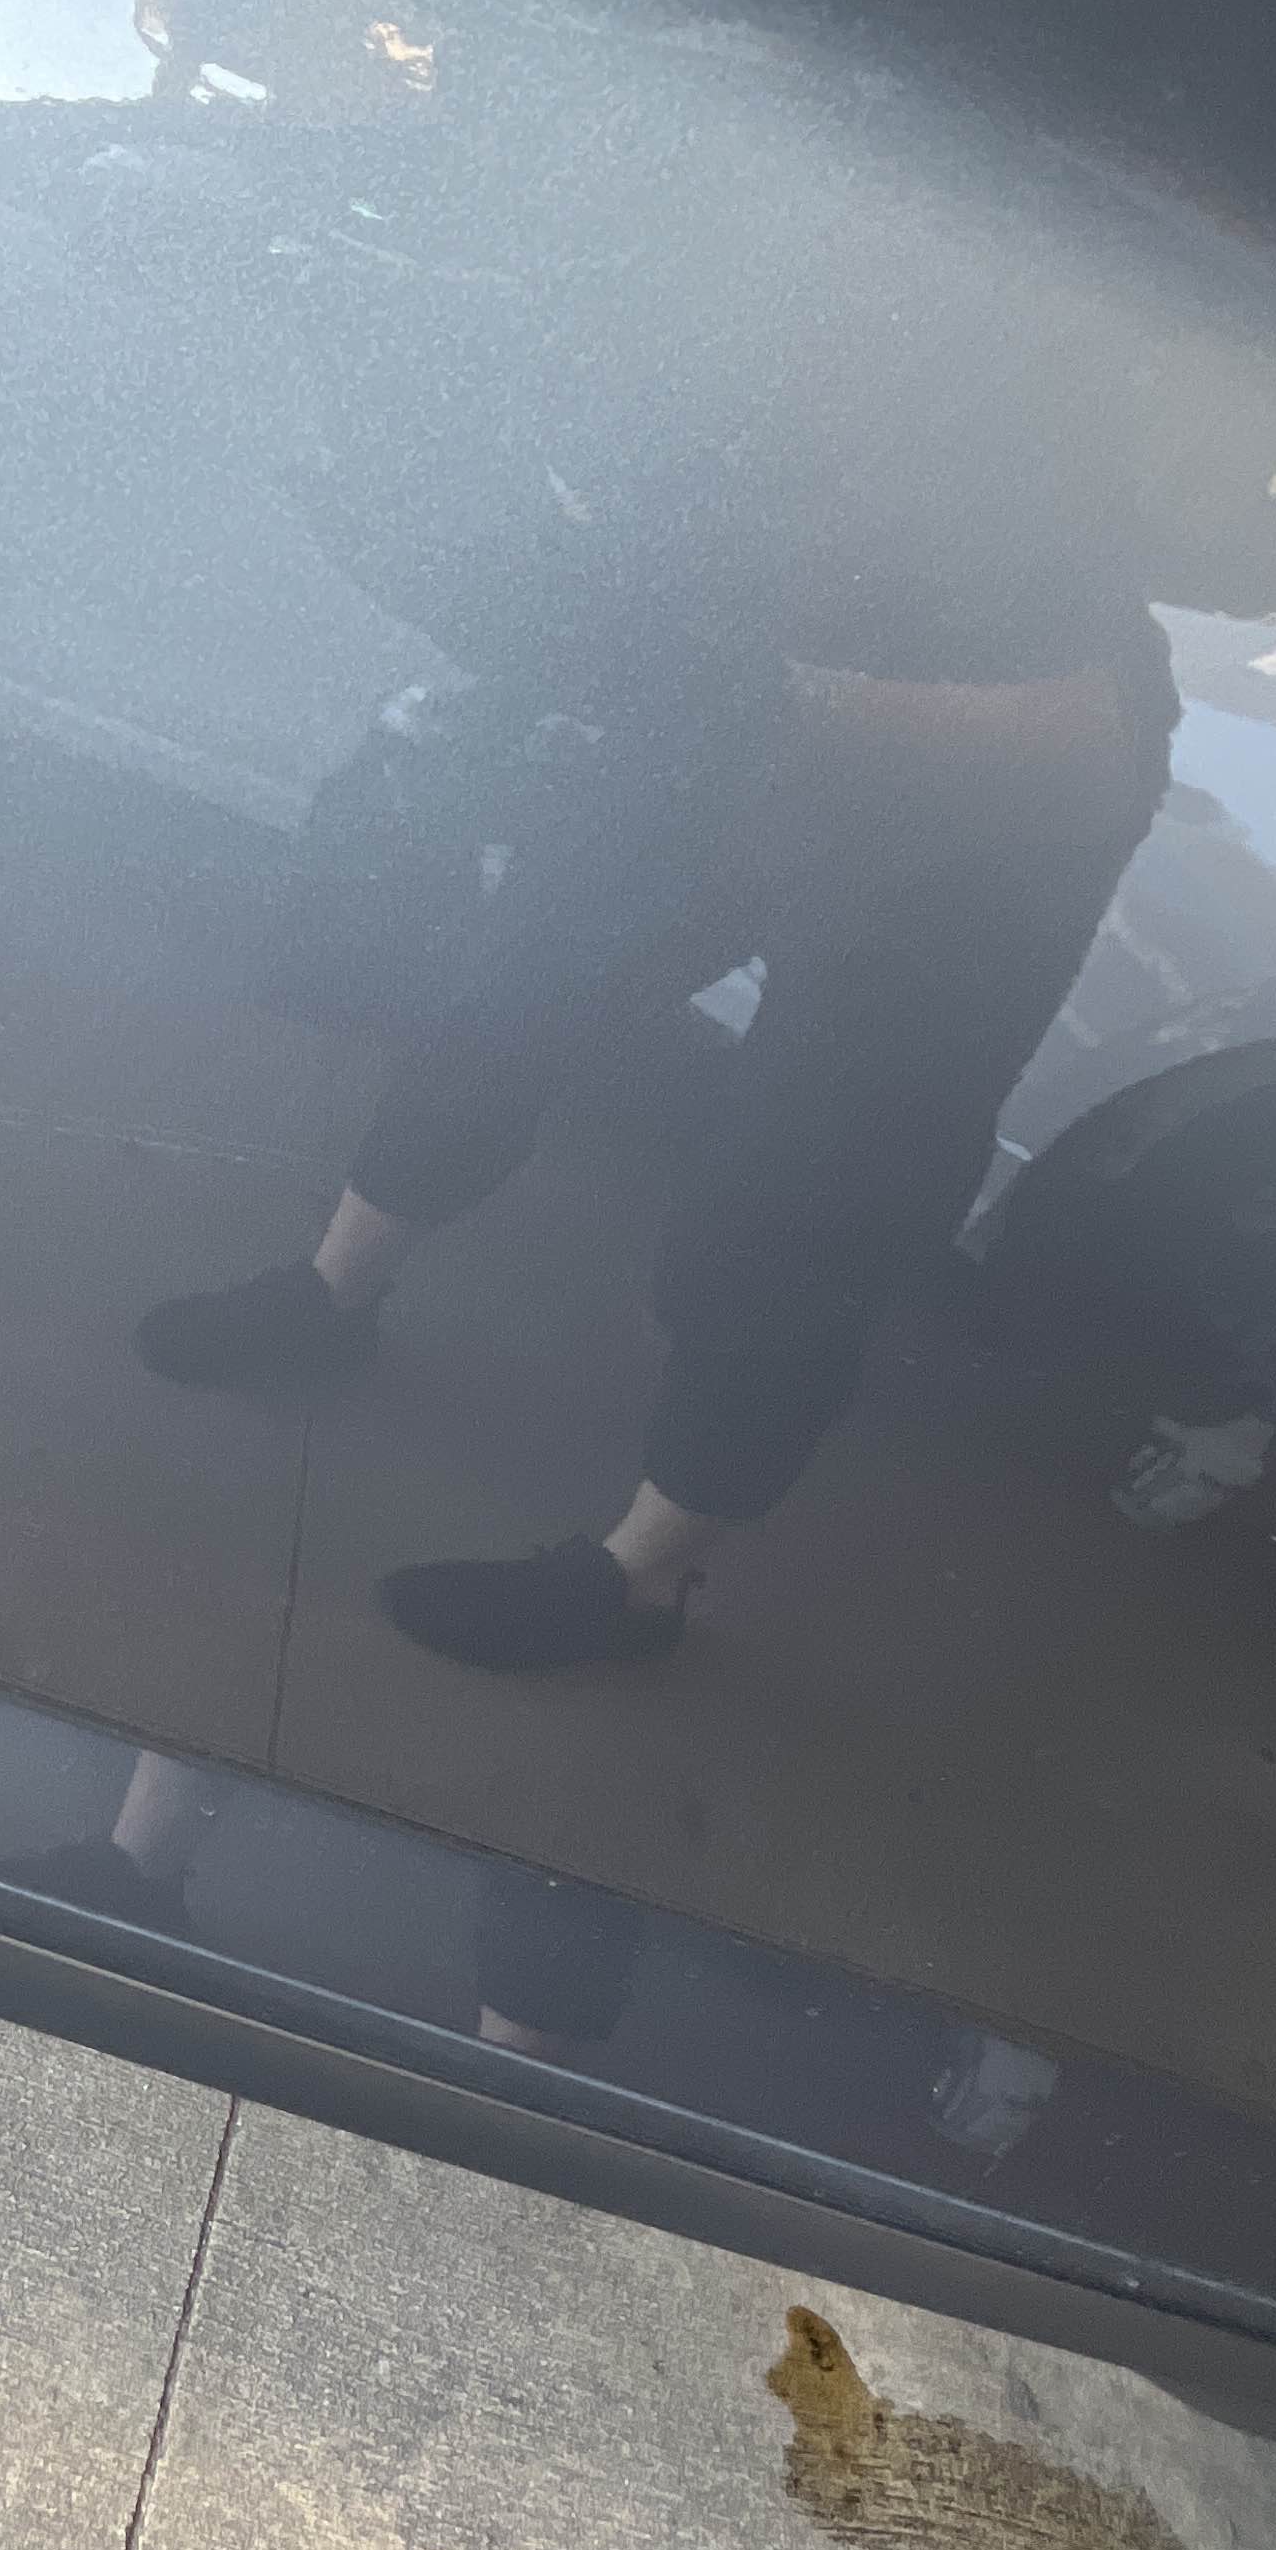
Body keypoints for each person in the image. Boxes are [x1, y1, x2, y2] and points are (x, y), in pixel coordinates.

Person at [138, 450, 1176, 1667]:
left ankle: (637, 1587)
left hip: (990, 803)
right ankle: (334, 1298)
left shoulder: (1036, 439)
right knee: (512, 990)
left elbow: (1089, 720)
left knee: (800, 1204)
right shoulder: (701, 391)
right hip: (746, 699)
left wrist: (766, 689)